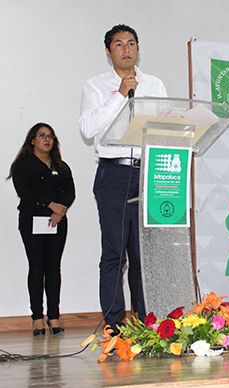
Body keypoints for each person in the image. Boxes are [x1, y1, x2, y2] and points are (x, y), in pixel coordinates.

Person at [79, 24, 167, 331]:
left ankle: (147, 323)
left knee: (144, 257)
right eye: (119, 44)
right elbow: (89, 129)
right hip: (113, 173)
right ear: (108, 52)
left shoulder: (155, 84)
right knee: (114, 253)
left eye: (131, 43)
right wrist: (120, 95)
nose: (126, 49)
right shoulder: (95, 86)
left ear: (138, 48)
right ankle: (113, 324)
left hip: (148, 174)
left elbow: (164, 126)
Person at [8, 123, 75, 335]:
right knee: (37, 267)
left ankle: (54, 317)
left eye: (51, 136)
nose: (47, 139)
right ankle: (37, 317)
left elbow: (70, 192)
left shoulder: (61, 166)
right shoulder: (23, 165)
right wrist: (49, 205)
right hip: (32, 220)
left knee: (53, 268)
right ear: (32, 140)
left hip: (57, 221)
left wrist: (60, 210)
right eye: (42, 135)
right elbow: (25, 192)